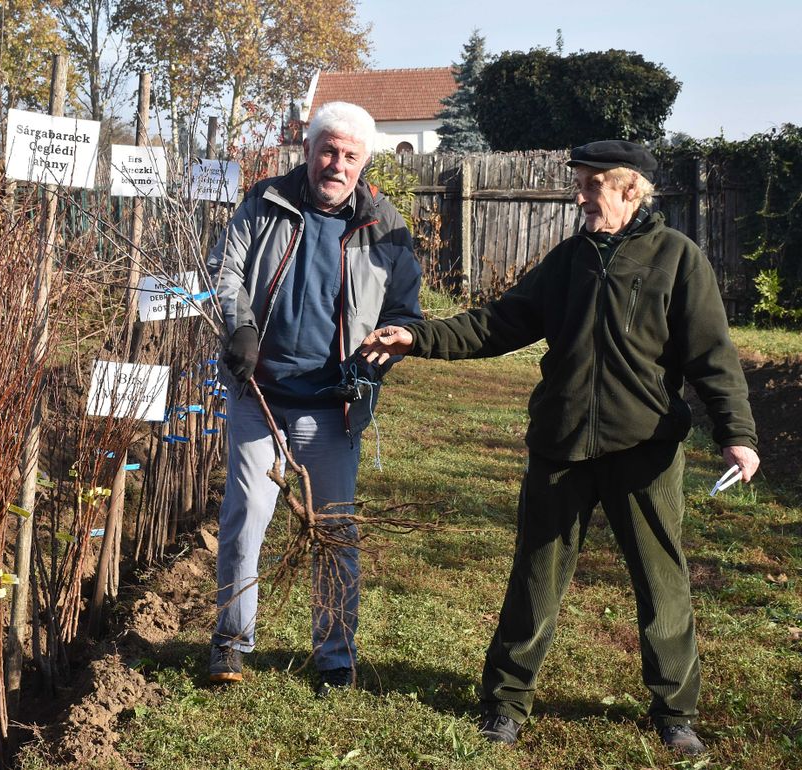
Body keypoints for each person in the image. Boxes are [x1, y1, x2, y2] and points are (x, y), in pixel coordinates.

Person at [360, 140, 759, 755]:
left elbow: (712, 355)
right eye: (578, 183)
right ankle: (504, 703)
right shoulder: (570, 259)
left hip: (644, 449)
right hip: (561, 445)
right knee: (535, 579)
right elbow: (500, 322)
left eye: (589, 185)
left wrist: (737, 433)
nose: (578, 196)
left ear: (630, 188)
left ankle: (675, 712)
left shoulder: (679, 259)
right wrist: (419, 337)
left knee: (662, 585)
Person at [206, 101, 423, 695]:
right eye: (329, 150)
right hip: (262, 395)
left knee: (334, 529)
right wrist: (241, 329)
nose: (337, 164)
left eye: (351, 156)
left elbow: (406, 308)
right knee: (245, 519)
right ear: (308, 149)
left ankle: (333, 654)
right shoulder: (266, 201)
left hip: (337, 405)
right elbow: (227, 273)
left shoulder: (385, 223)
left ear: (364, 163)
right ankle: (230, 641)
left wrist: (390, 344)